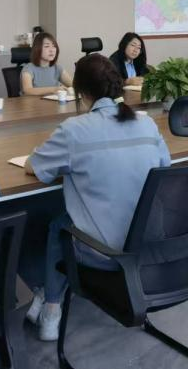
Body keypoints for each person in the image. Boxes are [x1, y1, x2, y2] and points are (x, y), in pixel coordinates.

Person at [23, 53, 171, 341]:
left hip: (105, 252)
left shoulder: (74, 129)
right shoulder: (146, 123)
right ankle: (47, 300)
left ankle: (51, 308)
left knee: (58, 224)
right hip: (151, 242)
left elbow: (36, 167)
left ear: (81, 92)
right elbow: (164, 165)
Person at [20, 31, 73, 95]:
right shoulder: (28, 68)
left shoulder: (57, 68)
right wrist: (53, 89)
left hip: (54, 101)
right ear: (37, 49)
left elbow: (74, 85)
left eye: (54, 46)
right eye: (47, 46)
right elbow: (27, 91)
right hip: (33, 101)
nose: (52, 50)